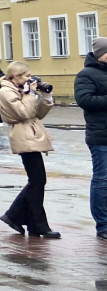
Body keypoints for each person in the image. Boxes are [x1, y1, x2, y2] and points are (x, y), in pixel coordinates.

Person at [0, 61, 59, 238]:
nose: (29, 79)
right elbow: (23, 113)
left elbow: (37, 114)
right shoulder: (5, 92)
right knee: (37, 180)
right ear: (16, 76)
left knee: (37, 180)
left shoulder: (20, 91)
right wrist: (29, 94)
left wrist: (46, 96)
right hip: (23, 135)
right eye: (26, 76)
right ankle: (25, 220)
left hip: (31, 133)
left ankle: (28, 221)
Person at [75, 37, 107, 240]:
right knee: (102, 180)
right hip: (101, 136)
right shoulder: (86, 74)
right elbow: (84, 100)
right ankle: (103, 225)